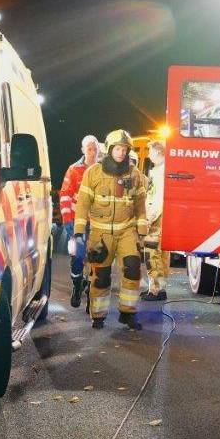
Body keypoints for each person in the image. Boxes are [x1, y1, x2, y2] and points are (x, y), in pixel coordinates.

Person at [73, 129, 147, 330]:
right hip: (100, 234)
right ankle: (98, 315)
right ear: (109, 149)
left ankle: (128, 312)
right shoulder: (93, 173)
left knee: (133, 268)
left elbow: (140, 204)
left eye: (125, 149)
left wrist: (142, 230)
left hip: (127, 231)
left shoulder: (135, 174)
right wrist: (79, 231)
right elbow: (82, 203)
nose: (122, 153)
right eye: (118, 148)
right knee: (101, 275)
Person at [59, 134, 99, 307]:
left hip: (98, 223)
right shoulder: (74, 169)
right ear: (83, 150)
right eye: (89, 149)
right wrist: (68, 222)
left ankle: (91, 290)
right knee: (77, 256)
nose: (92, 152)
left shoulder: (104, 170)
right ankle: (77, 286)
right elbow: (65, 195)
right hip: (78, 223)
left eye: (95, 149)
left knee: (96, 258)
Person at [140, 139, 168, 302]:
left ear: (158, 152)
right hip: (160, 218)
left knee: (151, 254)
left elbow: (157, 199)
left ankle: (155, 290)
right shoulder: (161, 170)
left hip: (156, 219)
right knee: (161, 254)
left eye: (150, 152)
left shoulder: (160, 173)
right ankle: (159, 288)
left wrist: (149, 219)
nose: (149, 156)